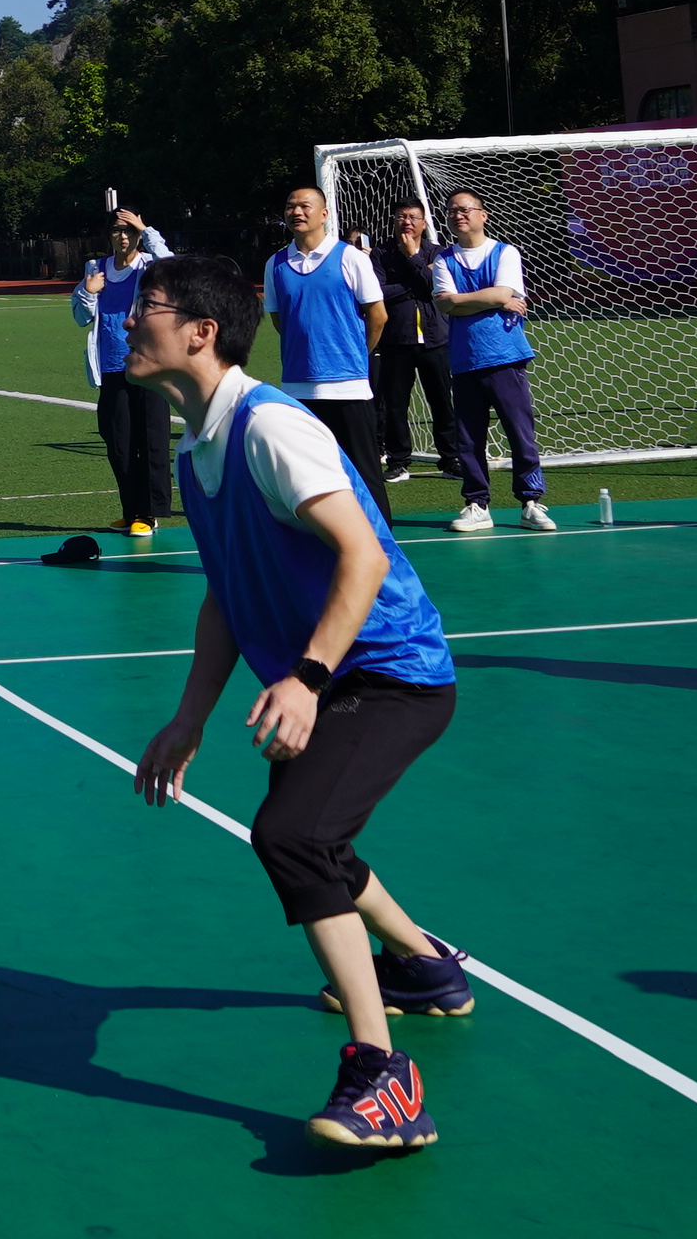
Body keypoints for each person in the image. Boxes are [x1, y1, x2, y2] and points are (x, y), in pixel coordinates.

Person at [121, 252, 463, 1152]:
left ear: (201, 333)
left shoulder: (270, 427)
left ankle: (386, 1078)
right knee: (317, 835)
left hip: (390, 672)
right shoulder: (197, 447)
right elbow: (226, 593)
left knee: (293, 834)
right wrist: (189, 717)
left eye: (147, 305)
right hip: (334, 675)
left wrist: (306, 678)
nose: (129, 318)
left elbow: (364, 555)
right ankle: (425, 967)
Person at [432, 189, 552, 534]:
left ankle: (530, 502)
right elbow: (445, 304)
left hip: (505, 356)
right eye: (452, 211)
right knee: (469, 439)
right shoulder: (443, 260)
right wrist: (491, 300)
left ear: (483, 215)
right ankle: (477, 503)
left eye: (465, 209)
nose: (458, 215)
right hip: (464, 360)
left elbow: (500, 293)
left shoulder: (505, 252)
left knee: (519, 432)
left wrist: (464, 299)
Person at [262, 187, 392, 501]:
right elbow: (281, 320)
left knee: (364, 473)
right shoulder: (275, 264)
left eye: (305, 206)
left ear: (324, 214)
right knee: (309, 477)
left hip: (348, 386)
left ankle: (378, 532)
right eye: (290, 206)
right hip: (297, 386)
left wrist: (356, 354)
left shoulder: (350, 257)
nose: (296, 212)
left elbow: (378, 315)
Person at [75, 209, 177, 536]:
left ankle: (149, 513)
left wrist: (146, 228)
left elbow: (173, 266)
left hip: (147, 366)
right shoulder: (96, 268)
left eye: (129, 231)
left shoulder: (149, 265)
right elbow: (80, 317)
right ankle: (130, 509)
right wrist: (88, 291)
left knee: (151, 440)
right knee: (118, 441)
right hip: (111, 368)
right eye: (117, 231)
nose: (123, 237)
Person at [369, 200, 445, 482]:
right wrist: (415, 280)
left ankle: (450, 459)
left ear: (424, 223)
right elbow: (377, 292)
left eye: (413, 217)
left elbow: (436, 287)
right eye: (401, 217)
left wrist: (413, 257)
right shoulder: (381, 253)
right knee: (395, 405)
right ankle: (398, 461)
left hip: (435, 339)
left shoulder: (437, 252)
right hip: (396, 340)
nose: (407, 222)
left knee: (442, 402)